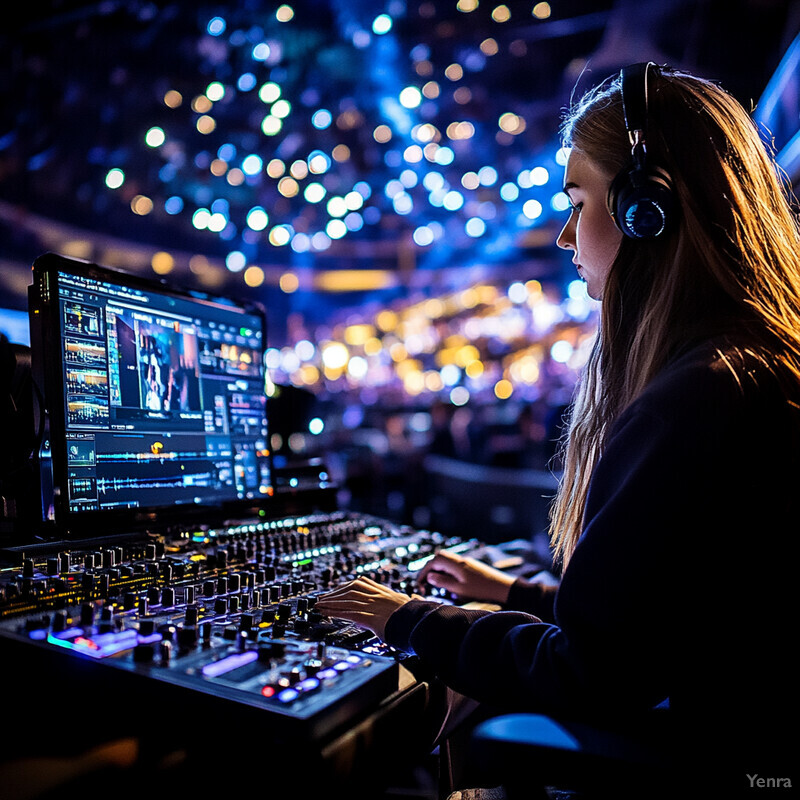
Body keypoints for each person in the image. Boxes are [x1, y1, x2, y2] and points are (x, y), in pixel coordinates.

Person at [315, 63, 800, 797]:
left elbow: (592, 677)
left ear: (648, 210)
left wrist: (413, 618)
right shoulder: (750, 367)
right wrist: (514, 595)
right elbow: (663, 631)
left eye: (580, 201)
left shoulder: (700, 397)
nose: (568, 234)